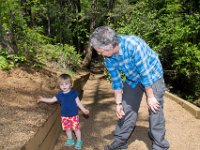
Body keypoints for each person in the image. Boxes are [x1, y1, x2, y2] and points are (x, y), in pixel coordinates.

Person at [90, 26, 170, 150]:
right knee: (126, 109)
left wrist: (150, 96)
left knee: (155, 108)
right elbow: (116, 80)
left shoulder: (134, 45)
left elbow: (145, 73)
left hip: (152, 75)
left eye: (100, 51)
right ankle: (120, 141)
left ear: (110, 46)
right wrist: (118, 103)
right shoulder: (108, 57)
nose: (99, 54)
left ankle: (160, 144)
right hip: (133, 78)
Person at [37, 73, 89, 150]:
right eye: (61, 84)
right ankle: (70, 139)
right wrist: (42, 99)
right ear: (59, 85)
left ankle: (79, 141)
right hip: (64, 116)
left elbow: (78, 103)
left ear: (71, 84)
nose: (64, 86)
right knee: (67, 128)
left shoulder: (73, 93)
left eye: (66, 84)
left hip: (73, 115)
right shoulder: (59, 95)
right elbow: (51, 100)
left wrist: (83, 109)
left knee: (76, 129)